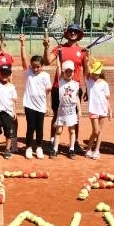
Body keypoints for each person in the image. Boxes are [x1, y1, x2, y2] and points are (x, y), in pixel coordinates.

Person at [43, 23, 89, 155]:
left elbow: (86, 71)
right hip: (59, 88)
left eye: (75, 31)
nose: (73, 33)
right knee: (57, 115)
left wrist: (87, 89)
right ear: (67, 33)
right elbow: (46, 61)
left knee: (75, 117)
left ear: (79, 34)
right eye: (70, 31)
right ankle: (52, 141)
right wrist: (46, 48)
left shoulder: (83, 51)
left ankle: (74, 144)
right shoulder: (58, 48)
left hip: (75, 88)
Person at [20, 34, 52, 160]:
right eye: (33, 66)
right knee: (30, 127)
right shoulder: (28, 73)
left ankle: (39, 147)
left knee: (40, 127)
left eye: (38, 66)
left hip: (41, 106)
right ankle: (28, 147)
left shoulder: (45, 76)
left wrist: (48, 106)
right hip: (29, 104)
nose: (35, 69)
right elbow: (23, 59)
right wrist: (22, 44)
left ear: (42, 66)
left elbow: (48, 92)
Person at [49, 60, 81, 159]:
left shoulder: (76, 84)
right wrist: (59, 55)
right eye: (66, 71)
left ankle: (71, 149)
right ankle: (55, 149)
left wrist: (79, 110)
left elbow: (77, 98)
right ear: (63, 72)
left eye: (70, 71)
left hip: (71, 111)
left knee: (72, 131)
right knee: (58, 131)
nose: (68, 73)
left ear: (73, 72)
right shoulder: (60, 81)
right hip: (62, 111)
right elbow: (58, 68)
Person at [83, 58, 112, 160]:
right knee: (96, 130)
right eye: (92, 72)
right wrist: (86, 56)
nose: (93, 74)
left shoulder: (104, 83)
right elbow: (86, 68)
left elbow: (107, 98)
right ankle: (89, 148)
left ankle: (97, 150)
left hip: (103, 109)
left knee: (100, 131)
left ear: (99, 73)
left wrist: (110, 110)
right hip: (93, 110)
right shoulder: (88, 80)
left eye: (95, 73)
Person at [0, 64, 17, 159]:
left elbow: (14, 101)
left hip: (8, 113)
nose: (4, 75)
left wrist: (14, 111)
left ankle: (7, 150)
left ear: (9, 74)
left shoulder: (12, 87)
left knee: (8, 133)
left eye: (7, 73)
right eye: (2, 73)